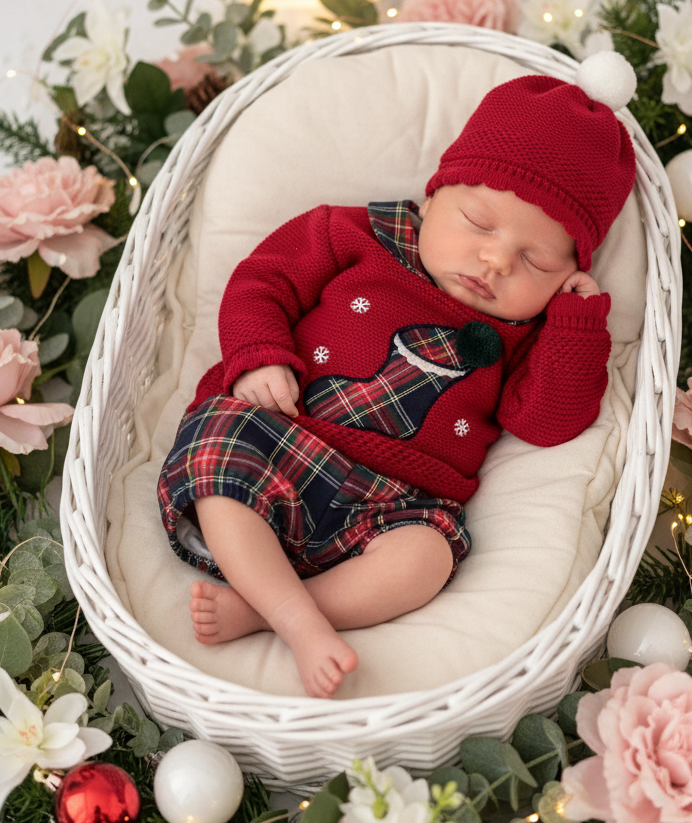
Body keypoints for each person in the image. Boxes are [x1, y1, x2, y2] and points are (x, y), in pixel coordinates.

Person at [157, 54, 637, 698]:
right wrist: (260, 354)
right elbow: (262, 280)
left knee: (428, 558)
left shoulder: (531, 331)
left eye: (536, 261)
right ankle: (294, 617)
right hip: (280, 437)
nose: (495, 260)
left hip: (395, 502)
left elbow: (548, 423)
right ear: (434, 195)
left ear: (568, 272)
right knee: (219, 452)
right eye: (478, 223)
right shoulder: (356, 234)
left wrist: (577, 327)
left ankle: (275, 609)